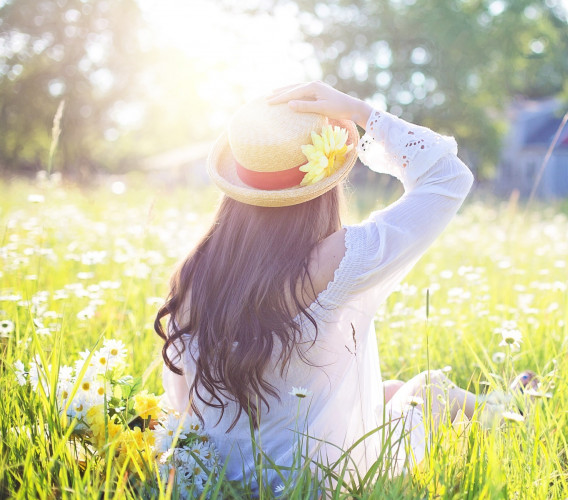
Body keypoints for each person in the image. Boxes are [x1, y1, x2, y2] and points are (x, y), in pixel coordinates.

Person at [154, 82, 522, 494]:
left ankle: (507, 405)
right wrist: (364, 113)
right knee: (430, 389)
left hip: (220, 479)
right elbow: (448, 177)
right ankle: (511, 411)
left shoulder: (195, 269)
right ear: (324, 184)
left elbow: (182, 402)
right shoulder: (338, 259)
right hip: (319, 484)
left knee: (391, 393)